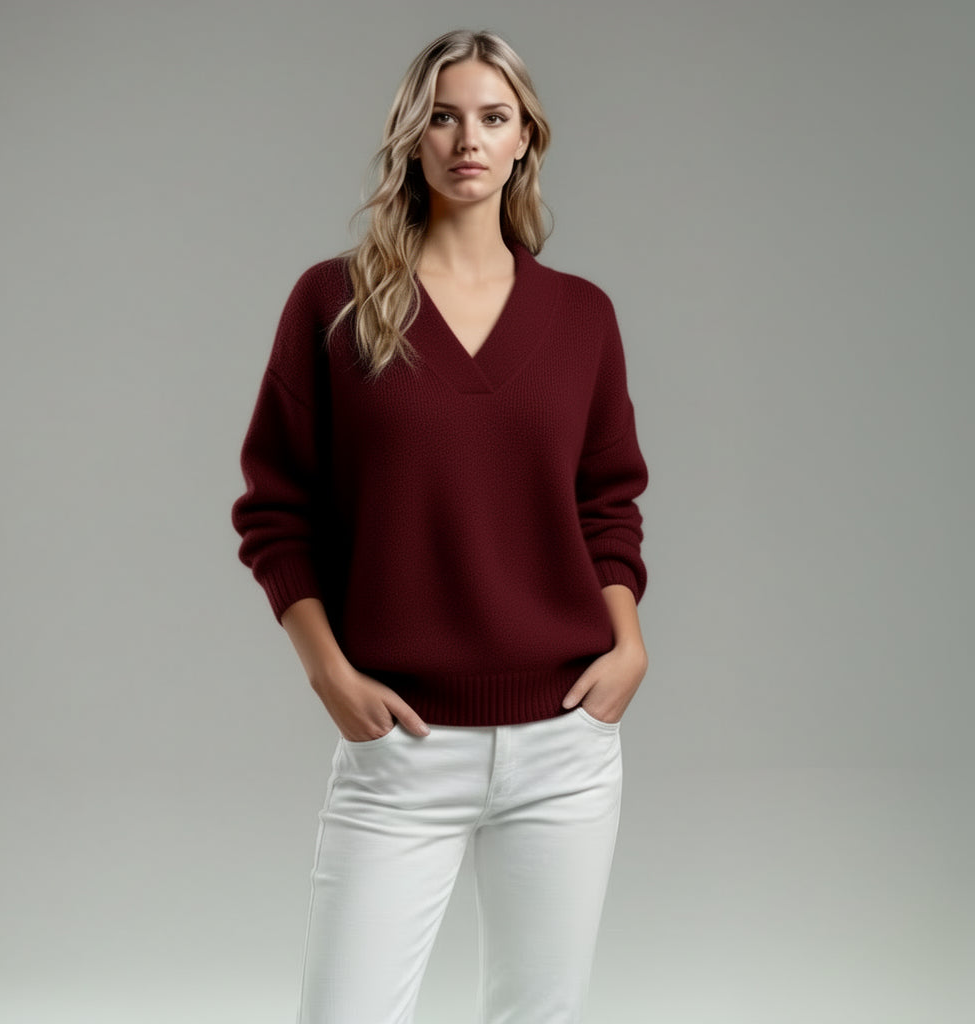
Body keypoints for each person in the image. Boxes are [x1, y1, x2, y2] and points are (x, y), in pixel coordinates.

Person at [231, 28, 649, 1024]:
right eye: (443, 118)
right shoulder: (334, 302)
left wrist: (628, 644)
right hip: (402, 748)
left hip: (564, 745)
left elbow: (606, 502)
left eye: (493, 118)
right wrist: (327, 673)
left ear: (524, 138)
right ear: (411, 137)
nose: (468, 140)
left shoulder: (582, 316)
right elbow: (275, 508)